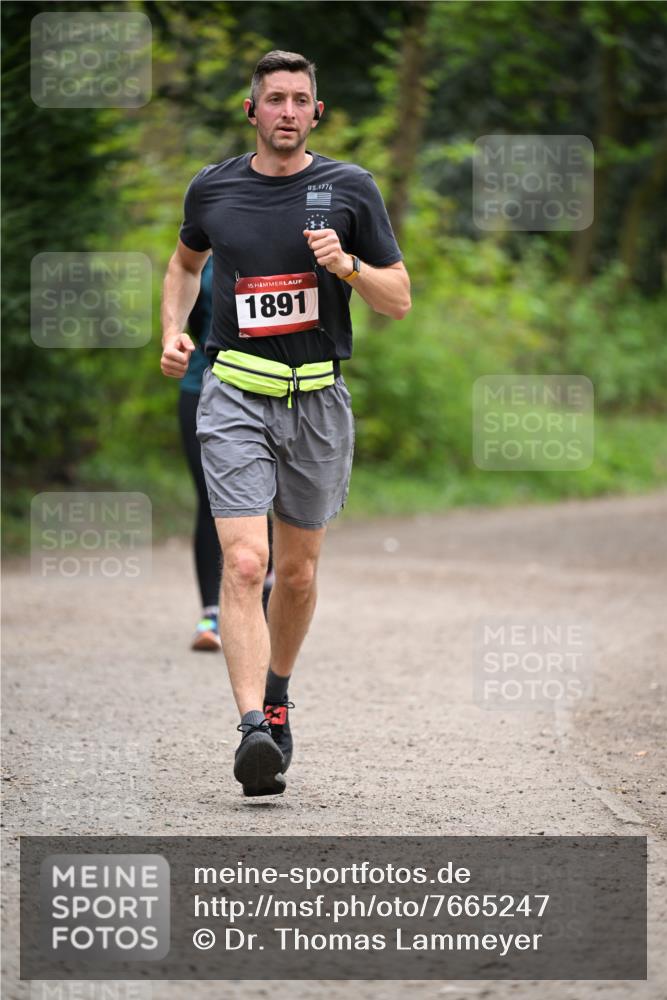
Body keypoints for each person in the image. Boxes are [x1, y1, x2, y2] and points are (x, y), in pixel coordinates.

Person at [160, 50, 411, 796]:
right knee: (247, 563)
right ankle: (251, 731)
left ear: (316, 112)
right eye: (274, 99)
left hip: (318, 399)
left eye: (301, 99)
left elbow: (396, 298)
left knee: (297, 575)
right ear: (251, 110)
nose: (288, 112)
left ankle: (277, 694)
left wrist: (347, 269)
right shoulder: (213, 187)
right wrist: (173, 331)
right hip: (234, 391)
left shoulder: (349, 189)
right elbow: (182, 264)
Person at [178, 257, 274, 652]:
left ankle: (263, 607)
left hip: (272, 391)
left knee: (267, 500)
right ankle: (211, 613)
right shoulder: (201, 261)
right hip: (202, 386)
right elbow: (190, 324)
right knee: (212, 500)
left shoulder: (277, 247)